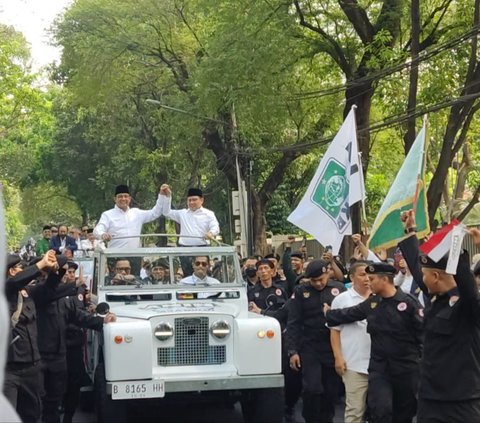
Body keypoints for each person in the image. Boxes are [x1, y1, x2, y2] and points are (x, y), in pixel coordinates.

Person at [399, 210, 480, 423]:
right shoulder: (437, 299)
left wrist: (458, 252)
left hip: (461, 403)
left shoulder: (467, 306)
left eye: (426, 276)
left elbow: (468, 288)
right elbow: (418, 268)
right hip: (429, 399)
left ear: (436, 277)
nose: (421, 279)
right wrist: (410, 231)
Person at [324, 262, 424, 423]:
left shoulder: (409, 303)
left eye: (372, 279)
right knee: (380, 409)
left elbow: (423, 335)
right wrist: (329, 313)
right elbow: (349, 314)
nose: (368, 282)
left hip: (406, 368)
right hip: (380, 368)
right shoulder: (372, 303)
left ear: (384, 280)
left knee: (404, 412)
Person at [285, 259, 346, 423]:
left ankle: (327, 418)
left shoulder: (338, 289)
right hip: (309, 345)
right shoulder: (300, 291)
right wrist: (293, 351)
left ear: (327, 273)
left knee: (331, 390)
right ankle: (311, 418)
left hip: (332, 345)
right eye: (314, 281)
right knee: (312, 388)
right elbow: (293, 322)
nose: (318, 284)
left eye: (321, 279)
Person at [329, 261, 371, 423]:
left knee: (380, 409)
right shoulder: (342, 300)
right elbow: (334, 331)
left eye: (369, 274)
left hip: (379, 364)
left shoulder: (380, 297)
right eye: (362, 274)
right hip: (353, 364)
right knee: (355, 411)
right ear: (352, 277)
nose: (367, 278)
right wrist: (338, 357)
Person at [93, 184, 163, 249]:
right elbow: (97, 230)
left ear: (129, 199)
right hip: (115, 256)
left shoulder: (137, 213)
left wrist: (162, 196)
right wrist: (103, 235)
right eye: (120, 196)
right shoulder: (107, 215)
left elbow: (155, 213)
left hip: (135, 256)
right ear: (115, 199)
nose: (123, 199)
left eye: (125, 196)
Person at [247, 259, 288, 323]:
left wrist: (260, 311)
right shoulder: (252, 291)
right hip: (259, 325)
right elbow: (251, 312)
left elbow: (284, 313)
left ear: (272, 271)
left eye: (266, 268)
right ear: (257, 273)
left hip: (277, 325)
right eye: (260, 269)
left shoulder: (280, 290)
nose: (263, 271)